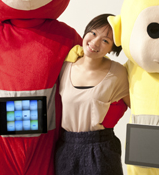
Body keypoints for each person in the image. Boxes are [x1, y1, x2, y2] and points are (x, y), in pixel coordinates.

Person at [55, 13, 131, 175]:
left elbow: (137, 105)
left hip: (101, 148)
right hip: (65, 146)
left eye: (106, 41)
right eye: (93, 33)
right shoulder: (65, 65)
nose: (95, 42)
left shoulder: (117, 72)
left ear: (113, 47)